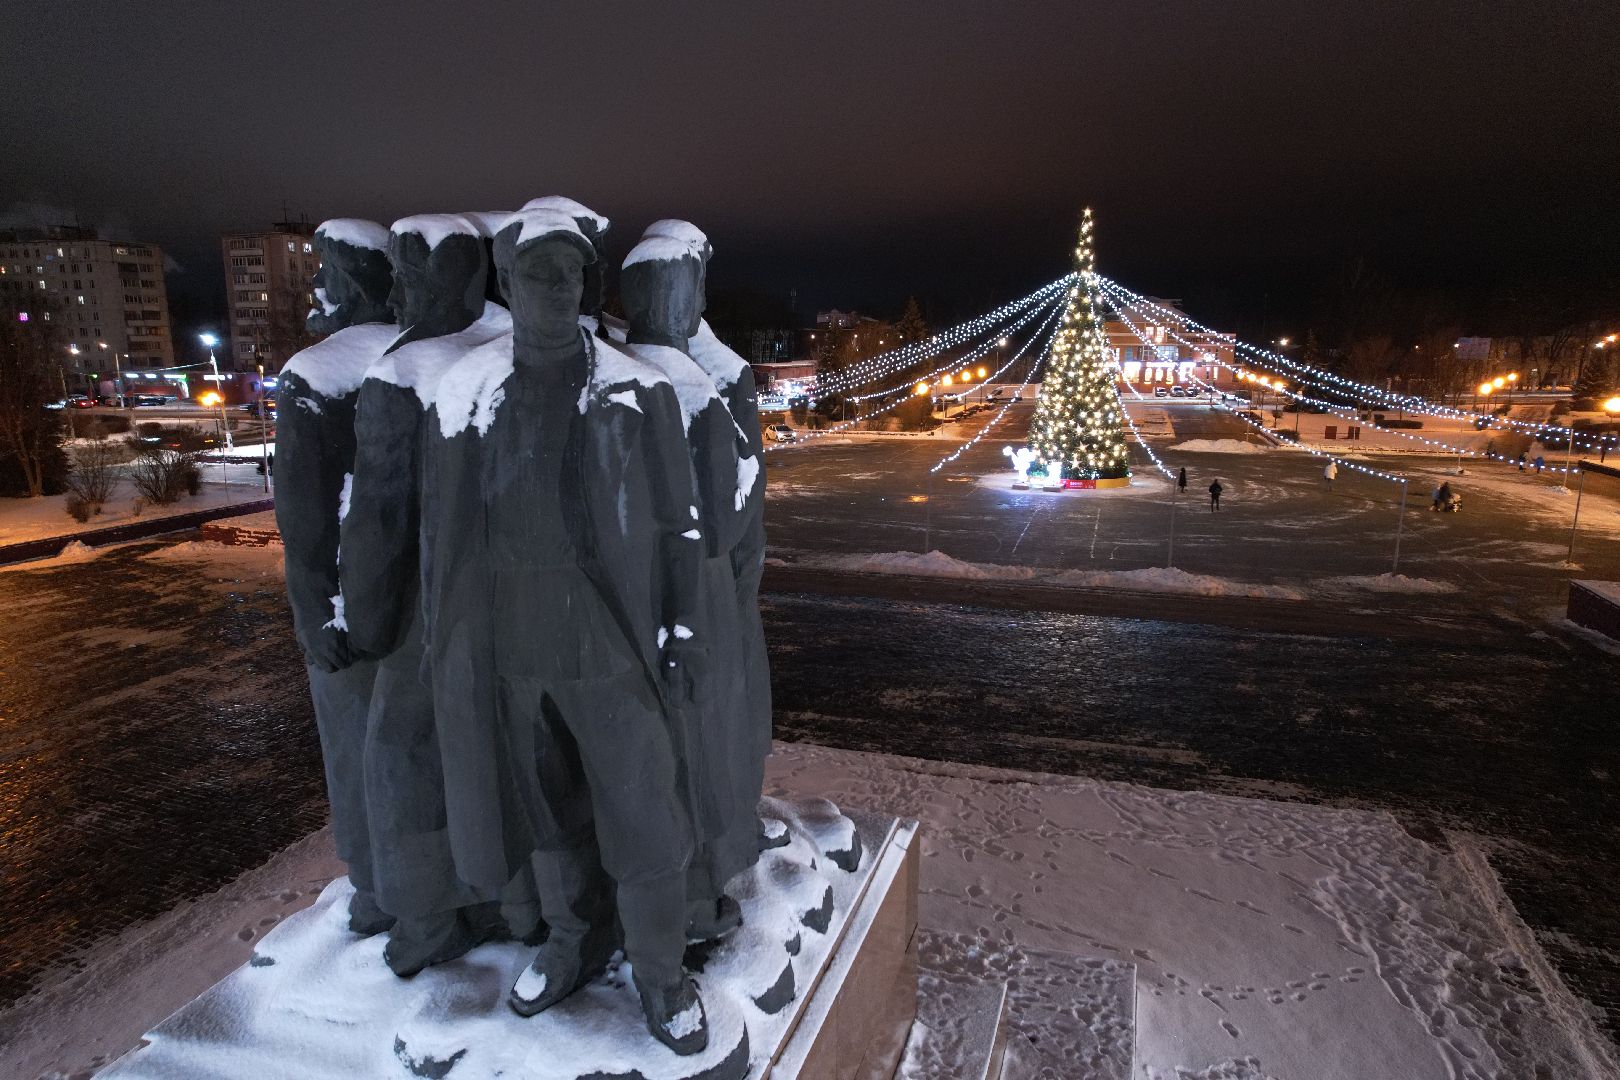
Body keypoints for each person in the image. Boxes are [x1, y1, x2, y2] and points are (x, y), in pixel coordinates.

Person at [420, 209, 710, 1055]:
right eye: (541, 274)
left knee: (642, 811)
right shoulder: (465, 392)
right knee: (546, 811)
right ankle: (571, 939)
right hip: (512, 649)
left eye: (573, 275)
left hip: (611, 644)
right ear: (509, 284)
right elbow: (442, 535)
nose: (560, 289)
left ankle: (661, 972)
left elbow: (681, 528)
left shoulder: (637, 392)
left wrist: (683, 633)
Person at [339, 213, 517, 976]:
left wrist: (366, 623)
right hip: (518, 601)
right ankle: (507, 901)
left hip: (425, 611)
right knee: (501, 751)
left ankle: (426, 918)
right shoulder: (517, 353)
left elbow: (378, 523)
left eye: (408, 275)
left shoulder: (400, 372)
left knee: (400, 755)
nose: (400, 291)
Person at [620, 221, 760, 943]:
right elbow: (731, 516)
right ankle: (697, 889)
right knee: (697, 745)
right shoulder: (694, 387)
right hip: (696, 593)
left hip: (631, 596)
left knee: (653, 752)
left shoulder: (609, 376)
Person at [273, 218, 398, 937]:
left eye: (325, 275)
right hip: (416, 605)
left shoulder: (316, 374)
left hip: (347, 607)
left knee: (355, 753)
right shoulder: (424, 362)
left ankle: (377, 888)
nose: (318, 290)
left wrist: (313, 612)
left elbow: (303, 516)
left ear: (352, 285)